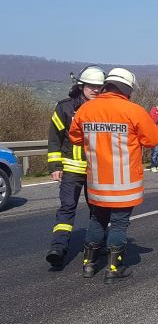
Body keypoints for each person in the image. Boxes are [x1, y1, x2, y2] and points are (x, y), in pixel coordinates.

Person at [69, 68, 158, 281]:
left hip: (97, 180)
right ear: (127, 89)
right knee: (119, 223)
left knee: (97, 219)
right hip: (124, 181)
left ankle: (88, 265)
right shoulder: (134, 110)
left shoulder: (86, 109)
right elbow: (153, 139)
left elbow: (74, 137)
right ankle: (113, 268)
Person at [45, 66, 105, 269]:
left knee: (97, 210)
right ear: (81, 86)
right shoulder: (65, 108)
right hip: (71, 169)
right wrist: (55, 165)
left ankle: (97, 244)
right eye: (91, 86)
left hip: (97, 170)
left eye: (99, 86)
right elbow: (55, 139)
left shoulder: (105, 108)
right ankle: (58, 248)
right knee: (67, 207)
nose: (95, 90)